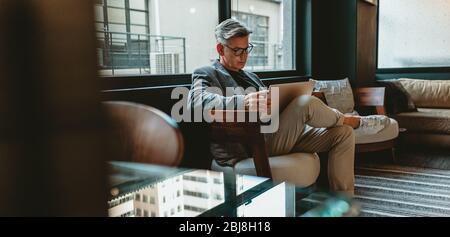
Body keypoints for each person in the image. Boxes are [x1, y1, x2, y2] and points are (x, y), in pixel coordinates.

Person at [188, 19, 386, 195]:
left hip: (275, 133)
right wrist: (242, 101)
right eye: (237, 50)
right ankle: (351, 120)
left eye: (247, 49)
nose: (243, 56)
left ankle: (344, 198)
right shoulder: (206, 73)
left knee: (343, 134)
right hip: (251, 143)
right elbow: (196, 103)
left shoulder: (251, 76)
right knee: (305, 103)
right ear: (221, 49)